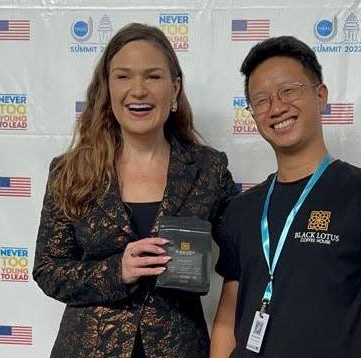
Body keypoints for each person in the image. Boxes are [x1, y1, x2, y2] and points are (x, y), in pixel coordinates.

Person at [33, 23, 239, 358]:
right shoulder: (69, 171)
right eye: (124, 76)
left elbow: (242, 256)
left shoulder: (208, 168)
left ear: (174, 89)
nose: (138, 90)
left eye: (153, 76)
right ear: (107, 88)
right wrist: (118, 270)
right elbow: (48, 269)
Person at [211, 36, 361, 358]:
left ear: (320, 95)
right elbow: (227, 320)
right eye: (261, 100)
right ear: (252, 115)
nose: (276, 107)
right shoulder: (241, 210)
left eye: (288, 91)